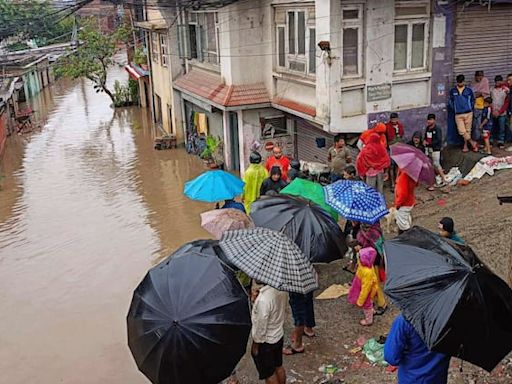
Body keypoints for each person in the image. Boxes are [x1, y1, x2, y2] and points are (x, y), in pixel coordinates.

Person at [384, 314, 451, 384]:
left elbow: (391, 357)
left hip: (411, 379)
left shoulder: (405, 319)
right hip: (438, 378)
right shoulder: (451, 319)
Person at [251, 281, 288, 384]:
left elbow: (260, 327)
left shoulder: (263, 300)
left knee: (269, 374)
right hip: (278, 335)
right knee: (278, 366)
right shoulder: (282, 289)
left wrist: (255, 344)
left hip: (266, 342)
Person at [347, 247, 385, 326]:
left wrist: (360, 301)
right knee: (369, 303)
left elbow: (366, 289)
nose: (359, 257)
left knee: (366, 305)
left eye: (360, 256)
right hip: (361, 286)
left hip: (366, 291)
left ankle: (369, 320)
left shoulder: (367, 272)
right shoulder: (365, 265)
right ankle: (371, 311)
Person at [449, 74, 477, 152]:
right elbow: (451, 101)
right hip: (458, 113)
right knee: (461, 131)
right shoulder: (453, 91)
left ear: (464, 82)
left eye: (461, 82)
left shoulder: (469, 90)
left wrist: (470, 107)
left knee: (468, 130)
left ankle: (466, 146)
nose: (460, 84)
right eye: (458, 82)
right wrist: (455, 109)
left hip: (468, 113)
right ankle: (472, 142)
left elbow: (472, 100)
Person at [282, 290, 315, 355]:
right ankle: (308, 328)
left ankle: (297, 344)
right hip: (308, 281)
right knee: (307, 297)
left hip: (296, 283)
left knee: (297, 305)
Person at [423, 113, 447, 190]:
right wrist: (425, 141)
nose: (429, 121)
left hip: (435, 149)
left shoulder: (437, 129)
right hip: (429, 149)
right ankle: (436, 179)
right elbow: (426, 137)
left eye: (431, 120)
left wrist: (430, 143)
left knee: (436, 164)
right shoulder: (428, 128)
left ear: (434, 120)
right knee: (432, 164)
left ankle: (444, 179)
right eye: (428, 120)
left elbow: (438, 140)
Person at [385, 112, 405, 190]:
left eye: (395, 119)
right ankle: (392, 183)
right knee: (391, 166)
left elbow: (402, 135)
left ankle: (397, 181)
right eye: (392, 119)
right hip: (391, 148)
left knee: (397, 166)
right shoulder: (387, 126)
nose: (394, 120)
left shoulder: (400, 126)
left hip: (399, 148)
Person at [394, 169, 416, 234]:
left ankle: (407, 239)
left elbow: (403, 194)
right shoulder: (411, 173)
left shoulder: (404, 175)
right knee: (405, 219)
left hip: (404, 203)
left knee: (403, 224)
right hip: (409, 201)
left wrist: (398, 204)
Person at [491, 75, 510, 149]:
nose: (497, 83)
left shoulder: (506, 90)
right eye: (496, 81)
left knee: (501, 127)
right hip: (493, 112)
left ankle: (500, 141)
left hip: (502, 112)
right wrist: (493, 110)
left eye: (499, 81)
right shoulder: (491, 89)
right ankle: (491, 140)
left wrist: (500, 111)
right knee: (492, 127)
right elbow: (490, 101)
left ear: (502, 81)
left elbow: (506, 102)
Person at [471, 70, 490, 141]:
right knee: (475, 124)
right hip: (475, 106)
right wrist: (478, 94)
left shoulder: (485, 81)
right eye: (478, 76)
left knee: (483, 124)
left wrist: (480, 93)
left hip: (483, 106)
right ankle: (475, 140)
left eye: (481, 76)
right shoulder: (473, 82)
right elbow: (472, 93)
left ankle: (480, 140)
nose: (480, 78)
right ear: (475, 76)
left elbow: (486, 93)